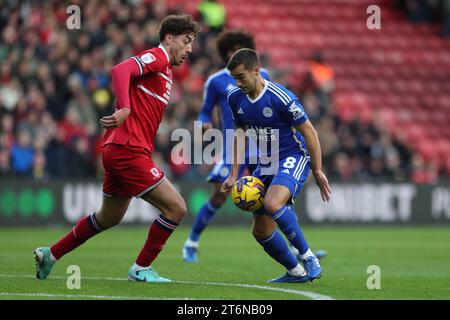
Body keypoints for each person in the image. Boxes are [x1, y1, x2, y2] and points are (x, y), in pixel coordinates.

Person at [33, 15, 201, 283]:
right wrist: (124, 106)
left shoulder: (166, 70)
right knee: (176, 208)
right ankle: (141, 268)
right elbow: (120, 70)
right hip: (128, 149)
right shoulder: (157, 57)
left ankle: (50, 254)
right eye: (186, 41)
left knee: (108, 217)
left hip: (120, 148)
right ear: (169, 39)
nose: (190, 49)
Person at [221, 49, 331, 283]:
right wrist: (233, 173)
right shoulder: (235, 98)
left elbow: (309, 131)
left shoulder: (281, 97)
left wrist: (317, 169)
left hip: (293, 155)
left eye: (241, 77)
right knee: (260, 230)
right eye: (234, 78)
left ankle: (309, 257)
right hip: (266, 162)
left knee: (272, 203)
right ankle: (295, 271)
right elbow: (239, 133)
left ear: (256, 71)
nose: (238, 83)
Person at [182, 29, 270, 263]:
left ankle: (295, 249)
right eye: (231, 50)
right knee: (219, 197)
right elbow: (204, 111)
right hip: (232, 146)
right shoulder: (216, 81)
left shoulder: (264, 76)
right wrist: (204, 122)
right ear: (225, 53)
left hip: (261, 147)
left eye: (240, 49)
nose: (235, 53)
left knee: (274, 198)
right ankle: (191, 242)